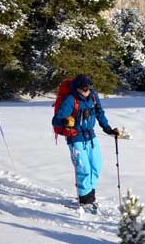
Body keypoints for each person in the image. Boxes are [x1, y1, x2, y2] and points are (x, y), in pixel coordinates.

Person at [51, 74, 119, 207]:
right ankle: (85, 200)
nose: (86, 91)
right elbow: (56, 120)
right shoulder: (71, 99)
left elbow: (99, 112)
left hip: (90, 136)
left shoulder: (93, 96)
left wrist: (107, 128)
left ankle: (89, 196)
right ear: (77, 89)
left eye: (89, 88)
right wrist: (65, 121)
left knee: (96, 167)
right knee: (84, 169)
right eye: (83, 89)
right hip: (75, 137)